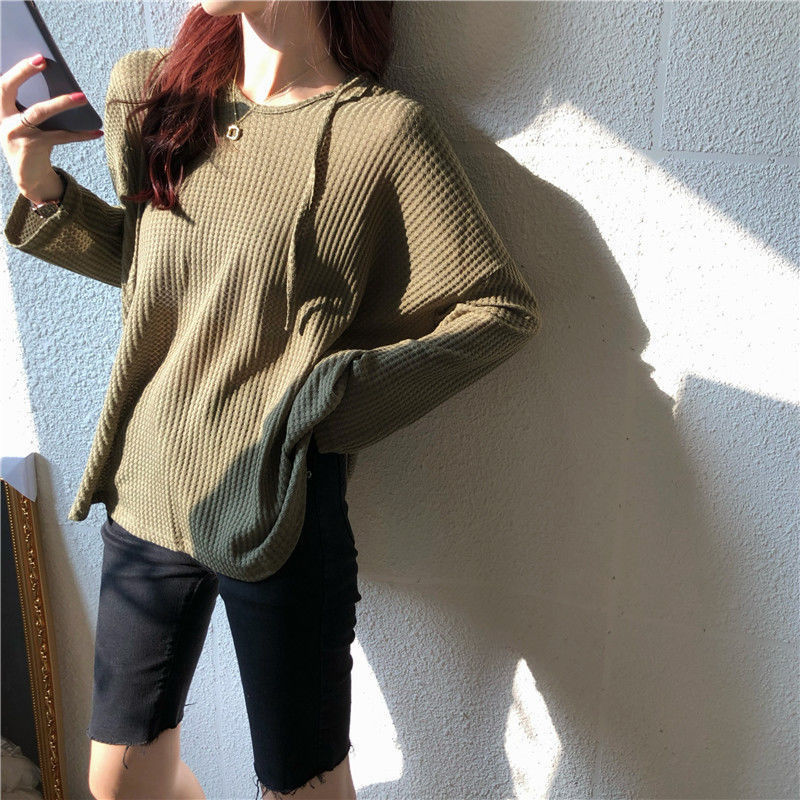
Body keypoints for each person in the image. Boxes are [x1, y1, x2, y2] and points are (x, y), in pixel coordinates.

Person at [1, 1, 542, 798]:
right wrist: (43, 190)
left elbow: (498, 310)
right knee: (118, 780)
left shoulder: (380, 134)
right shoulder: (151, 91)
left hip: (276, 501)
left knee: (302, 786)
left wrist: (324, 399)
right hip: (150, 481)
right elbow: (159, 273)